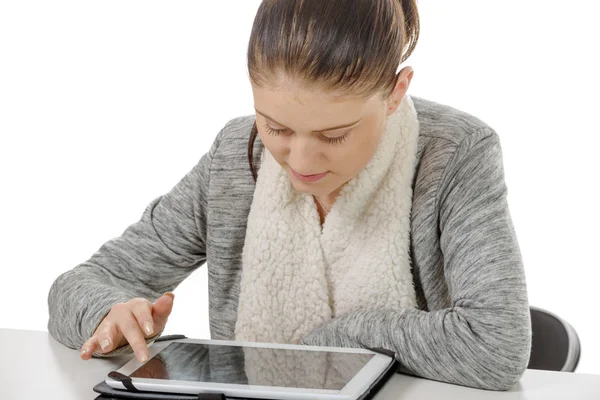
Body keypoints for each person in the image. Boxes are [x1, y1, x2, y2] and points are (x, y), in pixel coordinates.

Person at [47, 0, 532, 392]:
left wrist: (333, 342)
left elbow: (496, 345)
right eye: (276, 126)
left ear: (395, 91)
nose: (299, 160)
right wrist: (108, 313)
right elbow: (79, 284)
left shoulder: (457, 153)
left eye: (334, 135)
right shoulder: (237, 155)